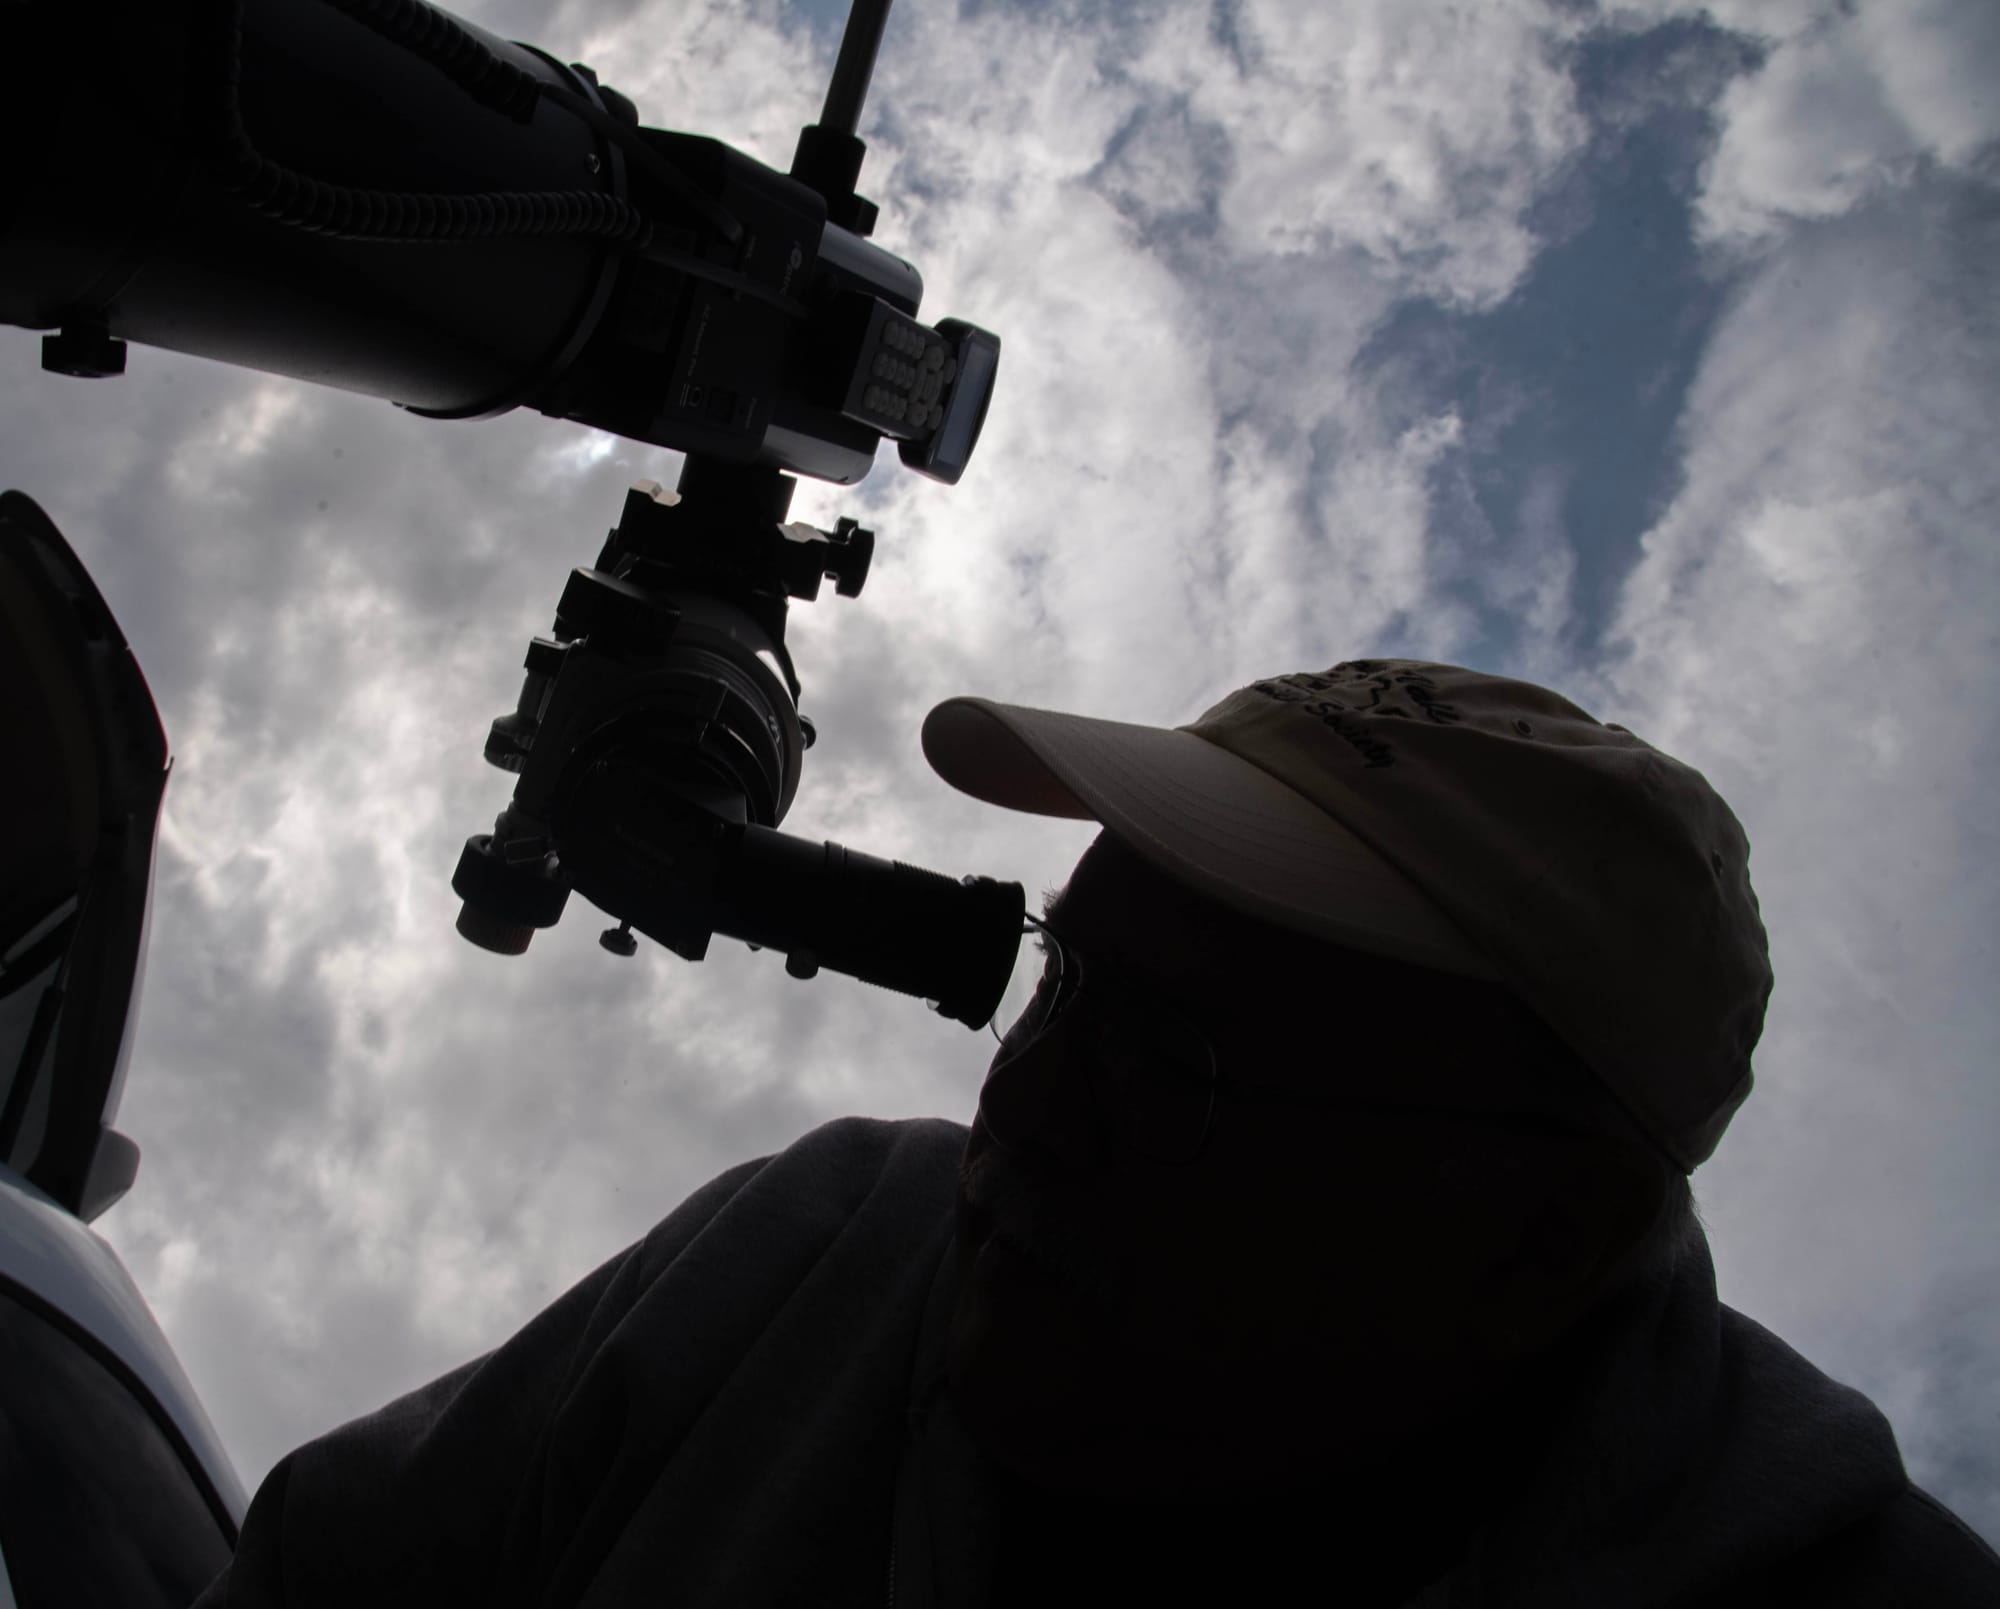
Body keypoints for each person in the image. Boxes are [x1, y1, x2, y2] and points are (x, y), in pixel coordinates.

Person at [193, 660, 1999, 1607]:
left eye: (1184, 1055)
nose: (1033, 1096)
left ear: (1537, 1234)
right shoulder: (821, 1247)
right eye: (1071, 978)